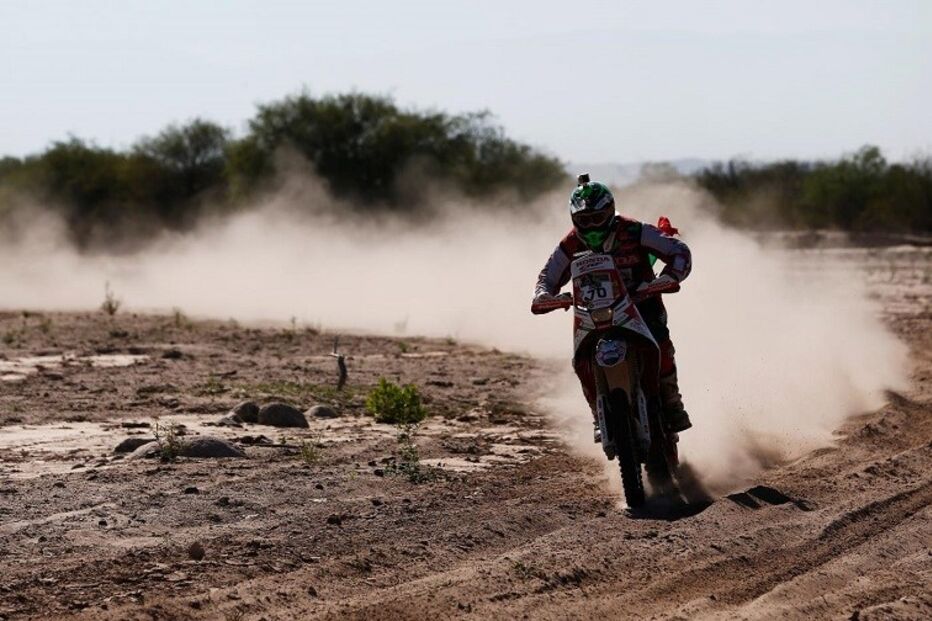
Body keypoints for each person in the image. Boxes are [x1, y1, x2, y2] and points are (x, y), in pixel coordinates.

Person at [533, 174, 693, 439]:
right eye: (584, 221)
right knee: (581, 357)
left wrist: (667, 278)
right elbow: (547, 277)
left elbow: (679, 251)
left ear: (610, 212)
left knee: (661, 343)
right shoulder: (570, 243)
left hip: (642, 303)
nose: (592, 226)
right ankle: (599, 414)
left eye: (598, 218)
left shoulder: (634, 229)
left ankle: (672, 401)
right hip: (593, 313)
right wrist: (544, 296)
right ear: (574, 219)